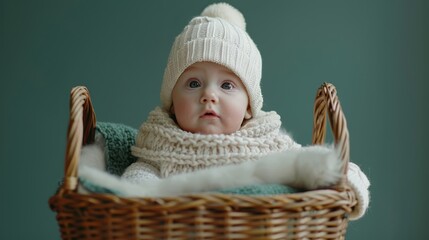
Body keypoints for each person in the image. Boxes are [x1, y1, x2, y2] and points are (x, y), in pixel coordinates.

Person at [117, 2, 369, 219]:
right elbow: (137, 179)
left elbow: (315, 163)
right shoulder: (157, 148)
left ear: (249, 107)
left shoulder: (266, 146)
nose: (209, 95)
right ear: (171, 103)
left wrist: (345, 180)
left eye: (227, 85)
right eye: (193, 83)